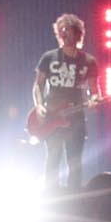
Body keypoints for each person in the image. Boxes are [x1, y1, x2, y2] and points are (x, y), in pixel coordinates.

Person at [30, 13, 98, 191]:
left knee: (74, 161)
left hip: (76, 119)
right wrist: (39, 105)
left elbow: (94, 91)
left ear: (78, 34)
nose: (64, 34)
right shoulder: (48, 57)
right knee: (53, 158)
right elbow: (38, 85)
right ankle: (51, 198)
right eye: (61, 31)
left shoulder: (89, 61)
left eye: (68, 30)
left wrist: (94, 100)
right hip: (52, 117)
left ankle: (74, 201)